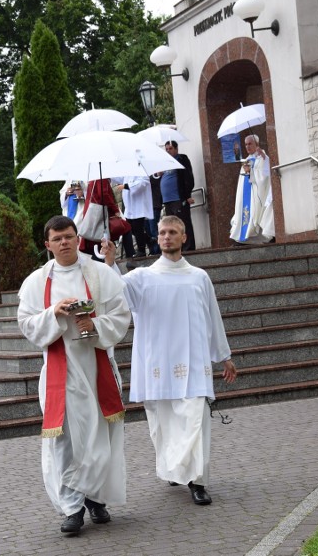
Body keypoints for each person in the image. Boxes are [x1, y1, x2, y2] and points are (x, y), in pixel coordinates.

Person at [102, 215, 237, 505]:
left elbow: (213, 317)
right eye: (162, 232)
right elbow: (115, 295)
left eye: (172, 232)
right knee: (162, 426)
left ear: (183, 237)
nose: (166, 236)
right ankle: (175, 470)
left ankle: (198, 481)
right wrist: (110, 262)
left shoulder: (199, 277)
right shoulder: (142, 278)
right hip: (157, 364)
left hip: (193, 363)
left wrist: (223, 356)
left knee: (195, 421)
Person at [17, 215, 131, 535]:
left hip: (96, 368)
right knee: (65, 442)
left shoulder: (101, 273)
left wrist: (93, 324)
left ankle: (95, 498)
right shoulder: (37, 282)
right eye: (57, 239)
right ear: (47, 244)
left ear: (78, 238)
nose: (64, 242)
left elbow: (121, 314)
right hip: (60, 372)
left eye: (69, 236)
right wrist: (54, 313)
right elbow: (27, 324)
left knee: (99, 438)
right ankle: (72, 508)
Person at [229, 134, 275, 244]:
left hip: (257, 194)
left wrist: (251, 172)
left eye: (250, 144)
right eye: (246, 144)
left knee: (256, 215)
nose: (247, 146)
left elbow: (264, 177)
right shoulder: (247, 160)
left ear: (257, 144)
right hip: (247, 194)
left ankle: (257, 237)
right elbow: (242, 181)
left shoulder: (262, 158)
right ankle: (242, 236)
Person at [162, 141, 196, 251]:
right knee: (172, 225)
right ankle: (177, 246)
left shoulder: (181, 159)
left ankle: (188, 247)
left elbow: (188, 178)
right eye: (166, 149)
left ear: (176, 149)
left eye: (170, 148)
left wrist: (187, 195)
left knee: (183, 223)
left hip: (178, 198)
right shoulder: (165, 162)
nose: (168, 151)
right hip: (167, 200)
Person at [116, 175, 153, 258]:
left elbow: (142, 183)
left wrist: (126, 186)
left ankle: (141, 251)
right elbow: (121, 178)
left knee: (138, 228)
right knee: (131, 228)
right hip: (129, 206)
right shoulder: (128, 170)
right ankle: (149, 240)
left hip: (138, 206)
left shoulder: (141, 171)